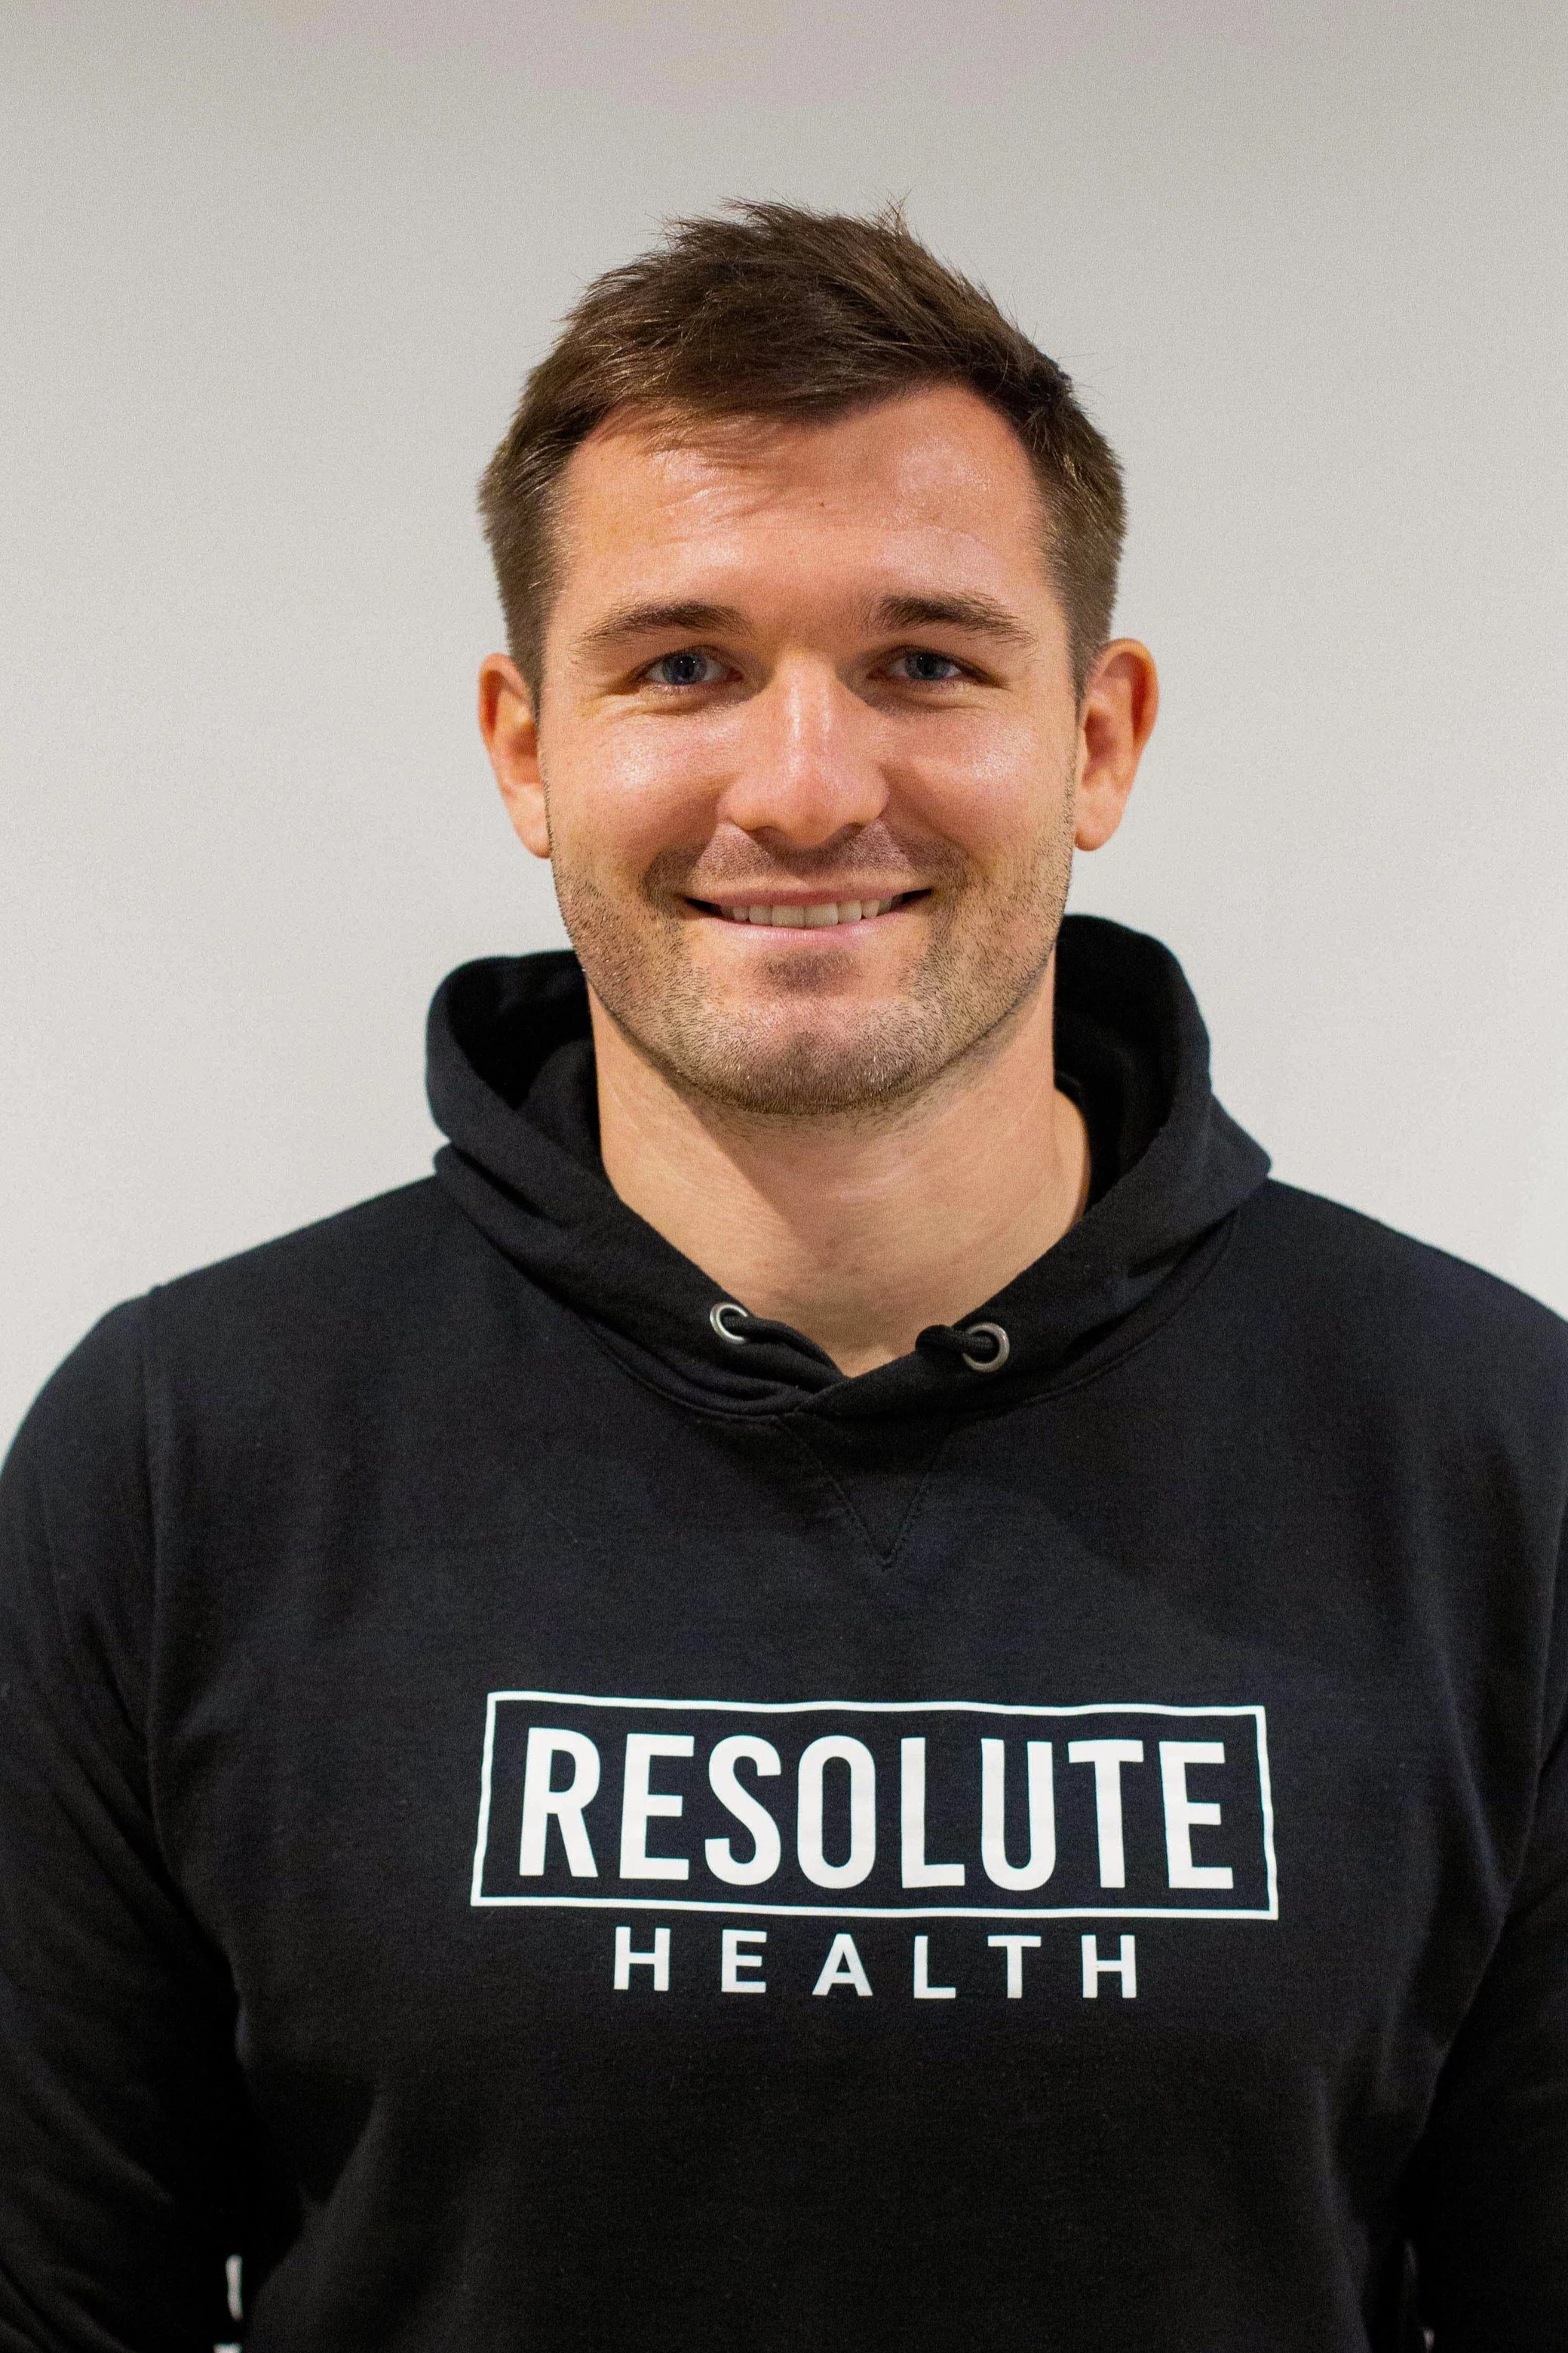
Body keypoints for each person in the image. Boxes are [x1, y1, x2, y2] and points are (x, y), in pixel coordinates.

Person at [1, 201, 1563, 2353]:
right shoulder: (183, 1453)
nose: (808, 786)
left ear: (1098, 737)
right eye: (684, 667)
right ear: (525, 746)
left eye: (926, 660)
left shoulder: (1495, 1455)